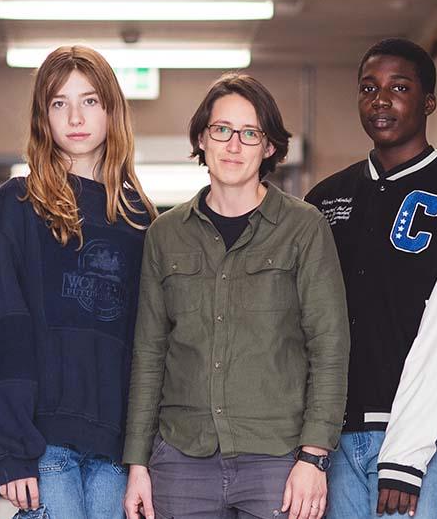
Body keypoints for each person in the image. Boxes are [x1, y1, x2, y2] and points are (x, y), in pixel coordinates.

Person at [123, 73, 350, 519]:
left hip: (278, 459)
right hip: (182, 458)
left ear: (269, 148)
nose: (233, 145)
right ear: (202, 140)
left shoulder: (304, 229)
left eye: (250, 134)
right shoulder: (165, 235)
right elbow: (149, 353)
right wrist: (137, 463)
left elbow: (329, 346)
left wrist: (314, 455)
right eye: (221, 130)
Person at [304, 37, 437, 518]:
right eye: (368, 88)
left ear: (428, 101)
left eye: (400, 87)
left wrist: (407, 457)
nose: (381, 100)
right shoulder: (325, 198)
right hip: (330, 435)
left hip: (410, 436)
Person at [0, 45, 157, 519]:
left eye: (90, 100)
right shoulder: (18, 205)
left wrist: (143, 454)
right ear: (43, 117)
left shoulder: (140, 219)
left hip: (117, 447)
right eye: (59, 103)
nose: (75, 116)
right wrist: (10, 451)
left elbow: (151, 346)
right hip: (43, 444)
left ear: (112, 110)